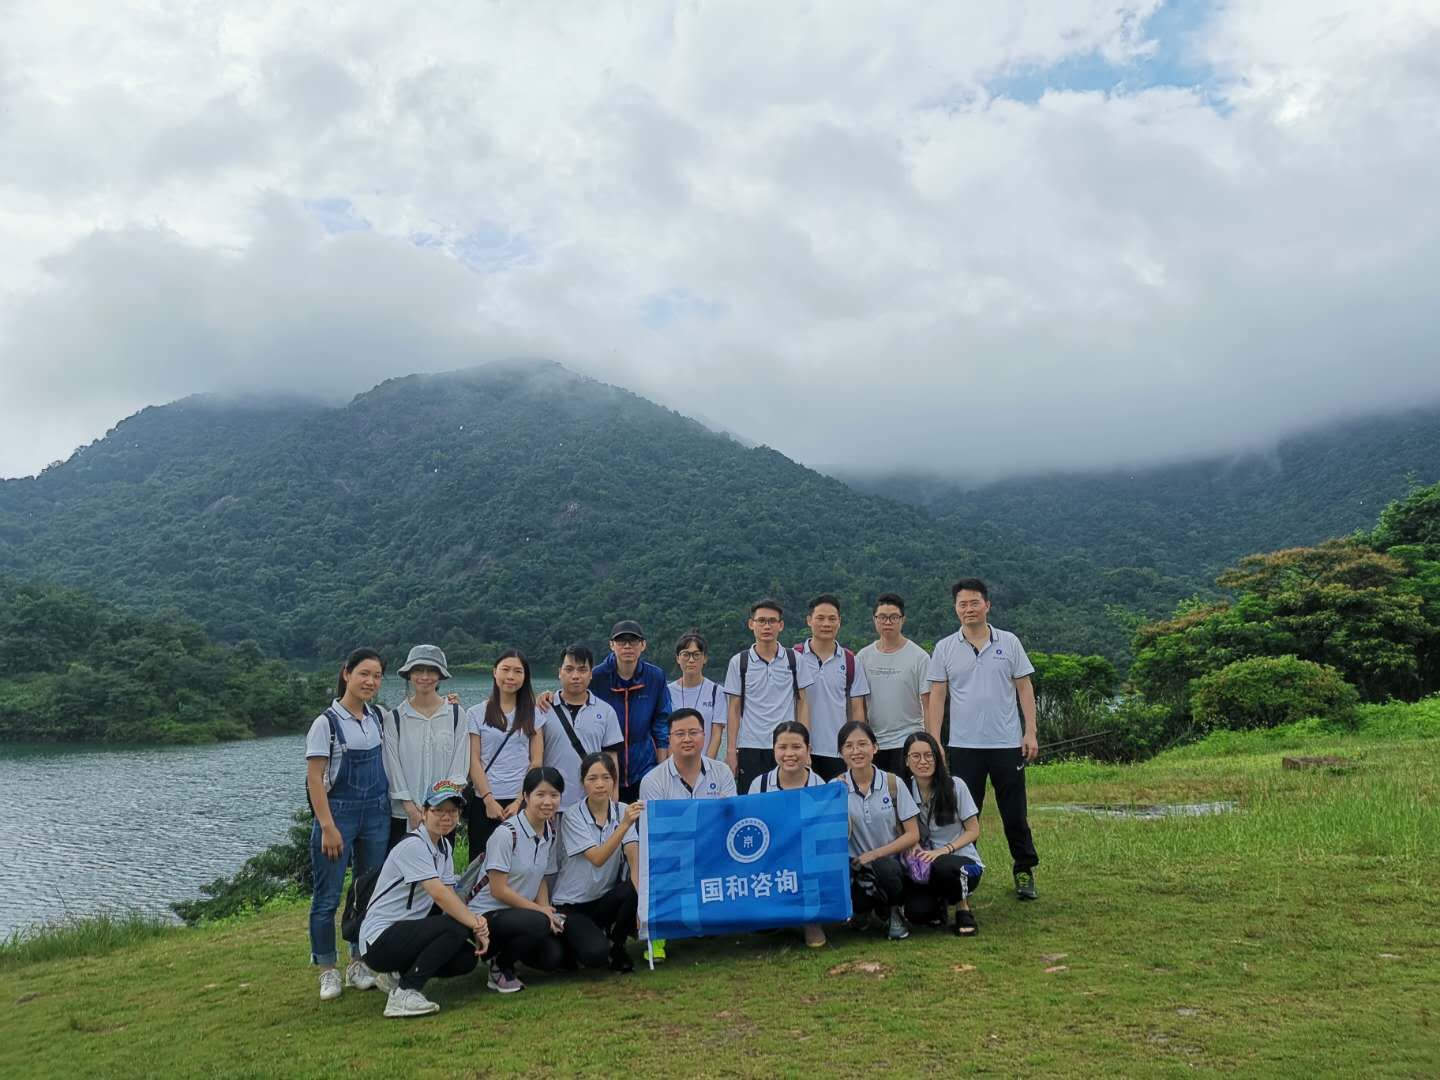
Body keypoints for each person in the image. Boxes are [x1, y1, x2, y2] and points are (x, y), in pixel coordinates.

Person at [924, 577, 1041, 901]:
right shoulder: (945, 647)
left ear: (987, 605)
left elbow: (1024, 687)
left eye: (974, 602)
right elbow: (937, 696)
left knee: (1014, 813)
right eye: (962, 604)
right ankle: (964, 871)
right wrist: (934, 740)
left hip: (1006, 744)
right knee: (962, 814)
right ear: (955, 608)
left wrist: (1030, 731)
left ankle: (1024, 869)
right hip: (964, 746)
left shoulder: (1009, 642)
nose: (969, 609)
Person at [358, 780, 491, 1017]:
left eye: (452, 811)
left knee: (465, 958)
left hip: (405, 931)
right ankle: (405, 993)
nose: (446, 817)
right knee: (455, 927)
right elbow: (440, 895)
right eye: (439, 810)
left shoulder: (443, 847)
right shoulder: (414, 845)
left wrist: (475, 923)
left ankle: (396, 976)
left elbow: (450, 894)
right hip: (378, 939)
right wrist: (476, 924)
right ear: (424, 812)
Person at [304, 648, 392, 1000]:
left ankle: (359, 962)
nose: (370, 681)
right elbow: (315, 778)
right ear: (347, 674)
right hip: (337, 814)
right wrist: (327, 826)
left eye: (377, 676)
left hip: (376, 813)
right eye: (364, 674)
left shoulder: (378, 717)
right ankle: (327, 969)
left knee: (367, 890)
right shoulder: (325, 723)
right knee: (327, 896)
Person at [638, 707, 737, 961]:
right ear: (669, 739)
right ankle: (658, 935)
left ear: (704, 736)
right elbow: (656, 833)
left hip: (714, 851)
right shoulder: (653, 780)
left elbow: (731, 820)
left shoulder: (722, 772)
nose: (687, 739)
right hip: (673, 854)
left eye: (693, 732)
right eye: (680, 734)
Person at [466, 766, 567, 993]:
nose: (548, 802)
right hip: (486, 915)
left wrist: (546, 909)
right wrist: (540, 912)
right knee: (539, 922)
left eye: (554, 795)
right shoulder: (506, 834)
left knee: (553, 957)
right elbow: (498, 890)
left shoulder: (549, 831)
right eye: (540, 795)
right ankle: (498, 968)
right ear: (526, 797)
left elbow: (540, 876)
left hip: (519, 913)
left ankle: (506, 954)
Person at [552, 752, 643, 973]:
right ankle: (572, 943)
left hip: (602, 899)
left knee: (631, 890)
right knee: (594, 956)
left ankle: (617, 945)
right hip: (572, 905)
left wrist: (641, 906)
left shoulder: (622, 810)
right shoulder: (572, 816)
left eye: (606, 777)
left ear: (614, 781)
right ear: (583, 783)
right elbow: (597, 858)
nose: (600, 784)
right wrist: (624, 825)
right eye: (592, 778)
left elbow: (634, 858)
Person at [831, 719, 920, 941]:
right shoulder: (834, 788)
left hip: (892, 864)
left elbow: (913, 834)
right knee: (857, 898)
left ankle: (894, 912)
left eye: (862, 744)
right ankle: (863, 911)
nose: (856, 751)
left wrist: (875, 854)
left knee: (885, 868)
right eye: (849, 746)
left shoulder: (892, 783)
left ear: (875, 747)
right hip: (856, 868)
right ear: (841, 753)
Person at [747, 720, 828, 949]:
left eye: (796, 747)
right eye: (782, 747)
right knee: (763, 926)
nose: (789, 754)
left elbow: (823, 833)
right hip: (770, 858)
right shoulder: (760, 784)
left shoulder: (820, 786)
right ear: (773, 749)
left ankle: (811, 920)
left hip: (808, 857)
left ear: (808, 750)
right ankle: (780, 915)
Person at [465, 649, 547, 869]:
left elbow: (536, 761)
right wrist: (488, 800)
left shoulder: (533, 714)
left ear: (525, 677)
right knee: (480, 864)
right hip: (484, 801)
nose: (511, 676)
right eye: (505, 670)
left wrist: (520, 801)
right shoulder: (476, 713)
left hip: (521, 801)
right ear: (495, 672)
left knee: (520, 864)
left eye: (518, 671)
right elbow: (473, 760)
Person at [382, 645, 469, 850]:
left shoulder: (456, 715)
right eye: (418, 670)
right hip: (404, 815)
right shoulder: (395, 718)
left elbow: (459, 764)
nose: (424, 677)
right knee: (403, 865)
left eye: (431, 671)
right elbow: (392, 767)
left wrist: (441, 808)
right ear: (409, 675)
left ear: (440, 676)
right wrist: (411, 809)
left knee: (440, 865)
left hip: (443, 814)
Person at [723, 599, 814, 794]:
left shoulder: (794, 660)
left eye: (772, 621)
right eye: (761, 621)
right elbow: (734, 709)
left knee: (789, 800)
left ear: (780, 625)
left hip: (786, 745)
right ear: (751, 624)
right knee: (752, 802)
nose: (767, 626)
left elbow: (802, 703)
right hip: (750, 746)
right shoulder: (739, 662)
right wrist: (731, 750)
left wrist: (806, 746)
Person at [900, 731, 983, 936]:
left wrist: (944, 850)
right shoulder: (903, 790)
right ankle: (939, 902)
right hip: (925, 862)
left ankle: (963, 908)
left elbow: (974, 830)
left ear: (937, 757)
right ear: (907, 761)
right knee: (917, 913)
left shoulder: (955, 786)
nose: (923, 761)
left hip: (961, 862)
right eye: (916, 756)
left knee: (943, 866)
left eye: (929, 755)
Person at [589, 621, 673, 802]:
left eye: (633, 641)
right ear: (612, 645)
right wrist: (549, 697)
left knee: (644, 817)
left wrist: (662, 770)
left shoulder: (655, 677)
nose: (627, 646)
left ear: (643, 645)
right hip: (605, 767)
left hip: (644, 767)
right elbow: (574, 695)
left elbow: (662, 724)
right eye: (621, 641)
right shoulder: (596, 677)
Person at [794, 594, 870, 781]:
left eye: (832, 619)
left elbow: (857, 709)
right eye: (820, 618)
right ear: (809, 620)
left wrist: (855, 748)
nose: (826, 624)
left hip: (837, 751)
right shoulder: (794, 657)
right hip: (799, 751)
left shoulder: (850, 661)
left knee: (838, 799)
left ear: (839, 622)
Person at [541, 645, 624, 811]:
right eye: (569, 669)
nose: (575, 676)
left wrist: (613, 797)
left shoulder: (606, 711)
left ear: (591, 673)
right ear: (559, 672)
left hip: (592, 804)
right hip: (551, 804)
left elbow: (611, 758)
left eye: (582, 670)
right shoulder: (543, 708)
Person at [857, 594, 932, 774]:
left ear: (903, 619)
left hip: (909, 741)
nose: (887, 622)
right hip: (874, 743)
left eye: (894, 617)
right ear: (874, 619)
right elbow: (859, 705)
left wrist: (930, 742)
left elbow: (928, 704)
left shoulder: (919, 657)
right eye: (882, 617)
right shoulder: (863, 657)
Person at [667, 630, 726, 759]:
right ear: (678, 658)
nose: (691, 660)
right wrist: (674, 765)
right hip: (675, 763)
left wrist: (706, 765)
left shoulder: (716, 692)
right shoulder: (667, 692)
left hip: (705, 763)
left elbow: (716, 735)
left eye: (696, 655)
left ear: (705, 658)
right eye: (685, 654)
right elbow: (665, 733)